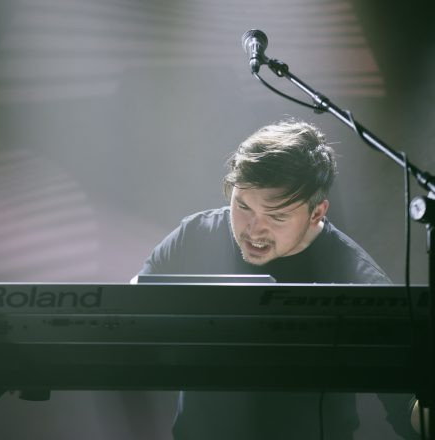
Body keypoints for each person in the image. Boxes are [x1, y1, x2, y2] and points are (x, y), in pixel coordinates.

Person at [135, 120, 419, 439]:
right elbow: (129, 318)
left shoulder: (357, 278)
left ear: (317, 212)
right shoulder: (194, 237)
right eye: (243, 206)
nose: (253, 230)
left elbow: (406, 406)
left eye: (277, 216)